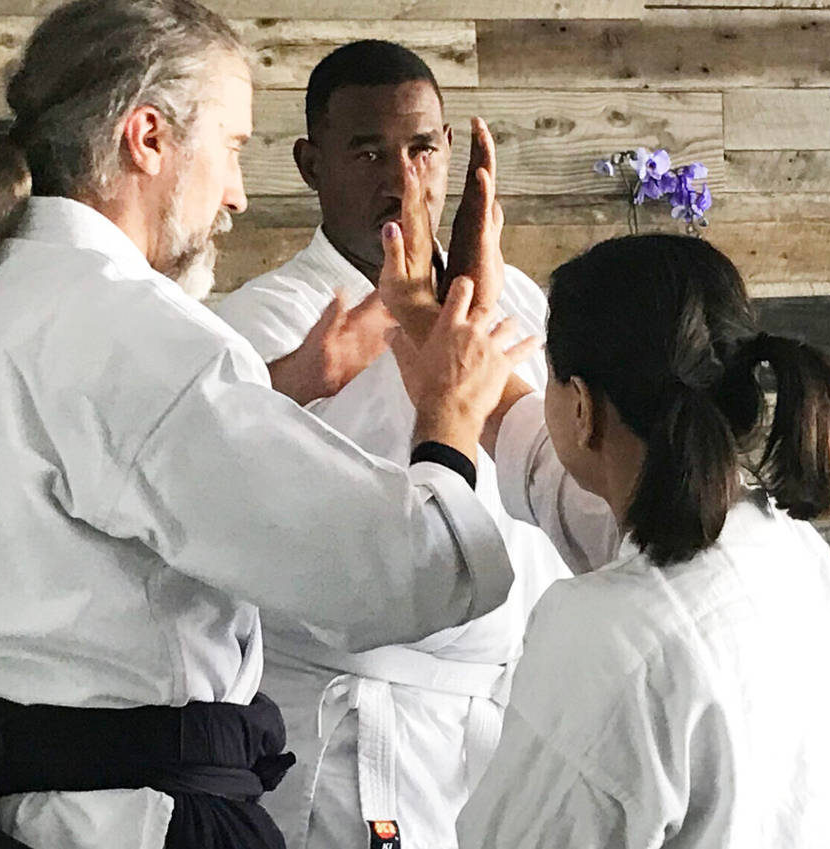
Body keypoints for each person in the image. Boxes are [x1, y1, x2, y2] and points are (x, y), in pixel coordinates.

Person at [0, 2, 534, 848]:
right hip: (129, 812)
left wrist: (282, 385)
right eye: (232, 149)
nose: (238, 195)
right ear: (147, 138)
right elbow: (401, 570)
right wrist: (451, 418)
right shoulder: (130, 327)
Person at [212, 41, 584, 849]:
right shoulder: (263, 324)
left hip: (513, 715)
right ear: (311, 164)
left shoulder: (512, 295)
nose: (403, 178)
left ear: (452, 150)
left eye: (422, 148)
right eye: (368, 151)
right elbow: (243, 510)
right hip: (361, 728)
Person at [454, 234, 830, 848]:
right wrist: (449, 347)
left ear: (581, 407)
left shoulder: (607, 639)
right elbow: (552, 462)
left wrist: (440, 431)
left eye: (553, 385)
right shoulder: (789, 548)